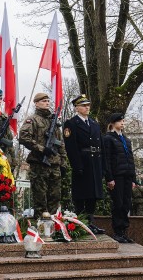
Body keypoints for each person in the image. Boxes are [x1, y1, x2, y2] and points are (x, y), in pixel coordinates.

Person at [62, 94, 105, 234]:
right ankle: (82, 223)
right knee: (82, 195)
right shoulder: (71, 123)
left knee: (93, 194)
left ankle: (91, 222)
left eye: (88, 105)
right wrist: (77, 165)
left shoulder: (94, 123)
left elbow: (101, 145)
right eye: (84, 105)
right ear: (77, 108)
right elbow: (71, 147)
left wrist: (102, 166)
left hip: (95, 162)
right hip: (82, 162)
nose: (87, 107)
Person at [19, 92, 66, 216]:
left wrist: (63, 162)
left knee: (55, 196)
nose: (47, 103)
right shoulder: (32, 119)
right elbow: (23, 137)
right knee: (40, 198)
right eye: (43, 101)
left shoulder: (53, 121)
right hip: (39, 163)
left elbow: (60, 143)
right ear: (36, 103)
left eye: (48, 101)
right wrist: (41, 149)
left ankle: (54, 226)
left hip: (54, 163)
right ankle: (41, 227)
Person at [103, 112, 136, 243]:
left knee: (126, 204)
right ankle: (117, 232)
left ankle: (123, 232)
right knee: (118, 203)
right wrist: (109, 178)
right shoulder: (108, 138)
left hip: (127, 175)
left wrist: (134, 179)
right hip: (117, 176)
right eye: (120, 121)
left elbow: (131, 159)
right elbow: (107, 160)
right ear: (113, 123)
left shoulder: (126, 140)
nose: (123, 123)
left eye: (123, 120)